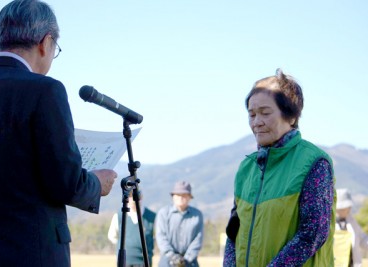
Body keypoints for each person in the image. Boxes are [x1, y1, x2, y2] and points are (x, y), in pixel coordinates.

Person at [0, 1, 117, 266]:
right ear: (45, 43)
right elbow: (65, 182)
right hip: (34, 253)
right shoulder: (45, 91)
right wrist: (97, 183)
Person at [223, 69, 336, 267]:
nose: (257, 122)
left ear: (291, 116)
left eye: (265, 113)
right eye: (251, 114)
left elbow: (313, 233)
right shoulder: (246, 168)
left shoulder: (314, 163)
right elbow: (233, 233)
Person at [156, 181, 204, 267]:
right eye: (178, 195)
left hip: (190, 262)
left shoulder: (197, 215)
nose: (181, 198)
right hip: (167, 261)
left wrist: (186, 259)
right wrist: (172, 256)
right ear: (173, 196)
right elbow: (161, 237)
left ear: (190, 197)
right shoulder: (163, 213)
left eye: (184, 195)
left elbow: (198, 239)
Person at [108, 190, 156, 267]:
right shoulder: (120, 215)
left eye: (136, 197)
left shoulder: (152, 216)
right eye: (130, 197)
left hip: (145, 262)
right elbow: (112, 236)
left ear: (141, 198)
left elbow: (157, 237)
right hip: (124, 261)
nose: (133, 200)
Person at [334, 188, 368, 267]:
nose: (349, 209)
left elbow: (363, 239)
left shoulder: (352, 222)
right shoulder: (329, 224)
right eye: (346, 207)